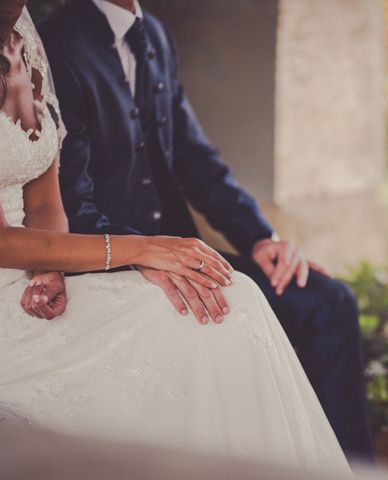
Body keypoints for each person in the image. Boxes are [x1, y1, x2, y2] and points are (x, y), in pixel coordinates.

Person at [0, 3, 352, 474]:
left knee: (322, 301)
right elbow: (75, 203)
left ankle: (352, 467)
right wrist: (140, 252)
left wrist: (260, 238)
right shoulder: (64, 38)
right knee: (219, 319)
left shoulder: (134, 37)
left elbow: (190, 156)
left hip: (115, 253)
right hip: (93, 254)